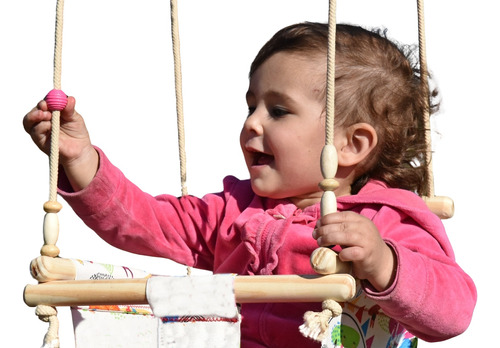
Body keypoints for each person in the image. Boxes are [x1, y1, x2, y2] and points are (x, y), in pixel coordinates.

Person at [24, 22, 476, 348]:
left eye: (278, 111)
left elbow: (452, 311)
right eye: (251, 106)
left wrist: (384, 262)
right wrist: (82, 160)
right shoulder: (233, 210)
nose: (252, 124)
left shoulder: (384, 219)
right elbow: (143, 221)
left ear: (353, 143)